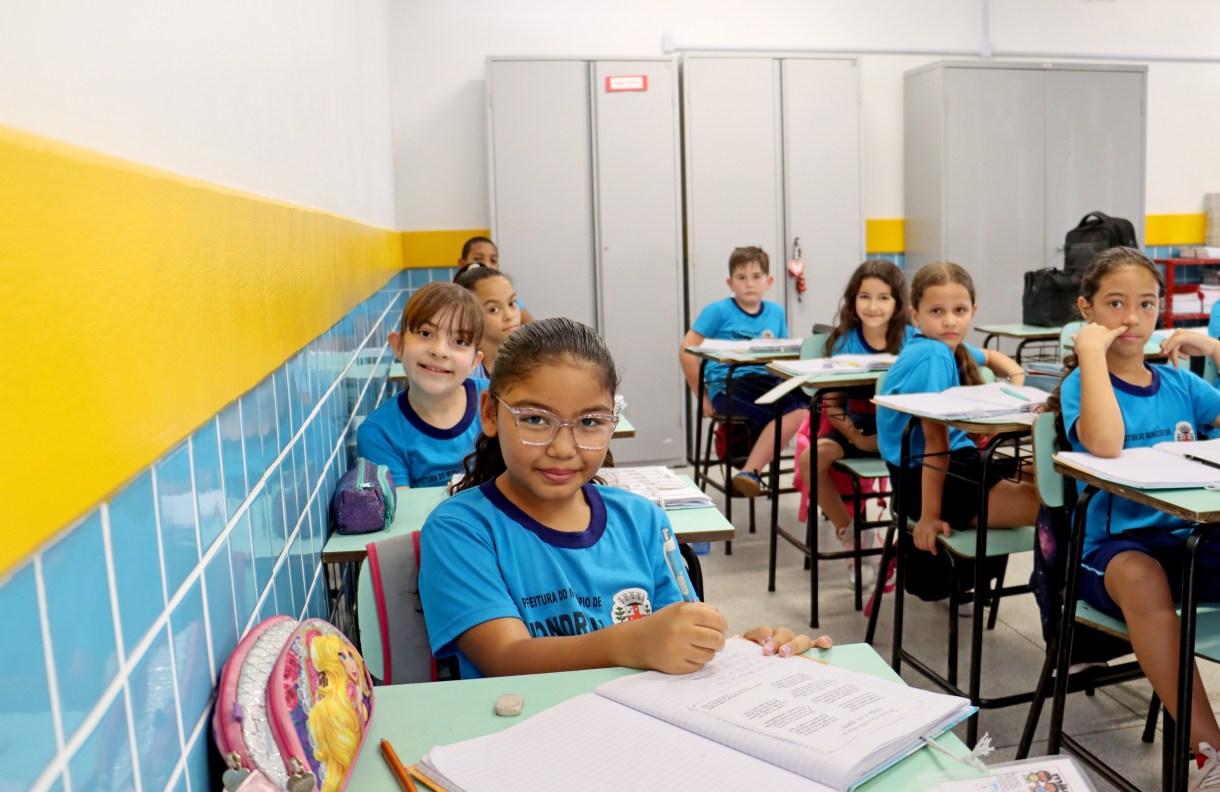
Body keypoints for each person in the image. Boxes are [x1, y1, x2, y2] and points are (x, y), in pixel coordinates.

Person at [419, 317, 830, 680]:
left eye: (590, 422)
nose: (564, 447)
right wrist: (629, 644)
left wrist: (738, 648)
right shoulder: (462, 529)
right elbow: (504, 657)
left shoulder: (642, 520)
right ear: (490, 413)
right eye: (535, 420)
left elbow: (675, 633)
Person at [1047, 246, 1220, 788]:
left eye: (1146, 305)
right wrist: (1091, 357)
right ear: (1086, 310)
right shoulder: (1083, 383)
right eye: (1115, 304)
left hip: (1187, 536)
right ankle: (1210, 752)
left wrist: (1212, 346)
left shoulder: (1182, 384)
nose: (1131, 318)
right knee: (1143, 579)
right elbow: (1104, 441)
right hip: (1112, 552)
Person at [876, 262, 1038, 604]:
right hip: (929, 479)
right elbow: (935, 443)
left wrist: (1017, 381)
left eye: (959, 310)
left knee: (1046, 480)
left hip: (957, 464)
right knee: (1058, 502)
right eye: (937, 311)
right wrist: (929, 517)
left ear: (973, 312)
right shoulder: (933, 355)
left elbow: (992, 356)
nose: (950, 320)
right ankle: (1059, 597)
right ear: (915, 315)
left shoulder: (944, 345)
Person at [795, 260, 910, 589]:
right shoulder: (845, 340)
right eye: (864, 297)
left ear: (898, 303)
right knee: (810, 459)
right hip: (853, 429)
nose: (873, 306)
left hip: (900, 431)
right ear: (853, 300)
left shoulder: (911, 339)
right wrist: (858, 440)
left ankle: (917, 544)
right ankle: (852, 535)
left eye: (884, 298)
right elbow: (832, 404)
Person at [679, 246, 807, 497]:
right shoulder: (717, 311)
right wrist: (702, 395)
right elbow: (686, 350)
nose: (749, 283)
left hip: (764, 382)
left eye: (756, 276)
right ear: (730, 283)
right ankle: (751, 471)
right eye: (741, 277)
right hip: (727, 386)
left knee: (810, 402)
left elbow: (781, 354)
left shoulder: (776, 312)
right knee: (796, 410)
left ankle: (754, 472)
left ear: (768, 281)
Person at [356, 282, 488, 488]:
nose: (439, 351)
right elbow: (403, 514)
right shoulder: (379, 432)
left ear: (474, 362)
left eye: (460, 341)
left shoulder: (495, 402)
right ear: (398, 346)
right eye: (426, 333)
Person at [455, 265, 522, 379]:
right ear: (469, 317)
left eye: (512, 303)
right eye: (494, 309)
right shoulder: (465, 374)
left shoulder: (530, 361)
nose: (510, 315)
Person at [453, 236, 535, 323]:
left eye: (493, 260)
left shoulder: (506, 295)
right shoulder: (456, 297)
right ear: (462, 263)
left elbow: (532, 327)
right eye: (477, 259)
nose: (487, 264)